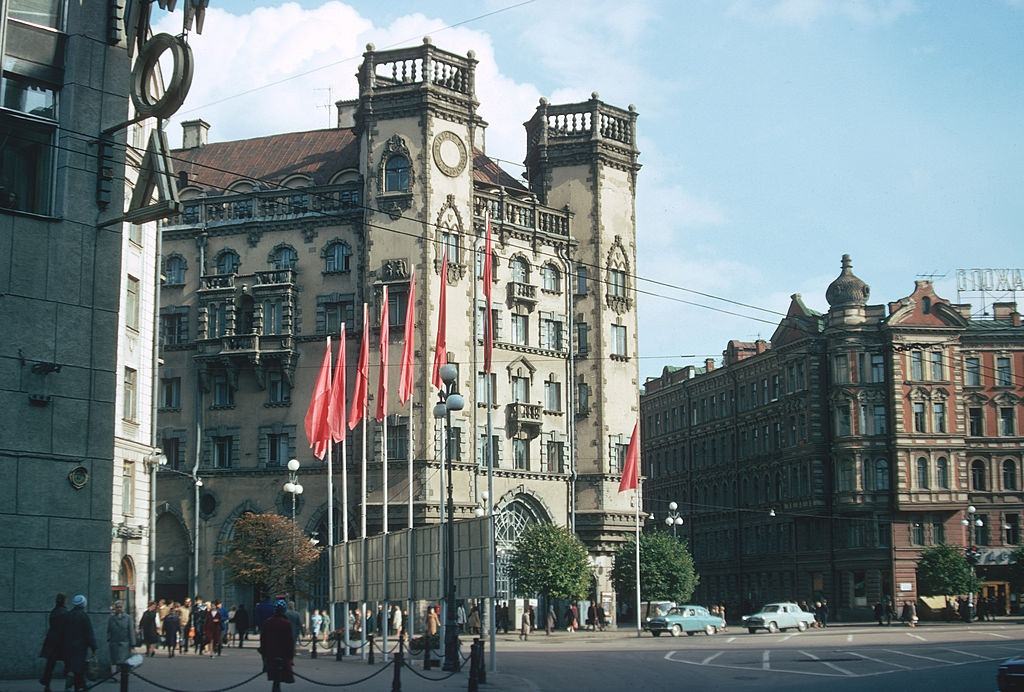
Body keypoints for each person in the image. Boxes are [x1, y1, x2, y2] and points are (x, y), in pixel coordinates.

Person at [259, 600, 295, 692]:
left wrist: (263, 653)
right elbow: (290, 641)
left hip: (271, 652)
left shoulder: (268, 622)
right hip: (283, 653)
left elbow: (263, 639)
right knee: (281, 674)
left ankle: (276, 686)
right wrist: (291, 656)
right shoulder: (286, 623)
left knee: (274, 675)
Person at [63, 594, 97, 692]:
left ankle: (78, 685)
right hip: (80, 647)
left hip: (69, 646)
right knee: (79, 668)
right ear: (83, 604)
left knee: (73, 667)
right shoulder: (83, 616)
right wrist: (93, 646)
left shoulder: (68, 615)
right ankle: (78, 686)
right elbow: (89, 632)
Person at [39, 592, 68, 692]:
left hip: (52, 641)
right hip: (61, 642)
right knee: (69, 663)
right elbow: (65, 628)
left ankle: (46, 682)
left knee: (50, 664)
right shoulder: (64, 612)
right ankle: (72, 684)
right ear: (64, 601)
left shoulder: (54, 611)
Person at [107, 601, 135, 672]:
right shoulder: (111, 618)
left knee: (123, 661)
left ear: (123, 608)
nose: (119, 609)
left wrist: (133, 643)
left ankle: (122, 676)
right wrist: (108, 640)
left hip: (124, 643)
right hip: (114, 643)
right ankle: (118, 675)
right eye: (117, 607)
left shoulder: (128, 618)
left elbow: (131, 630)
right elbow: (108, 630)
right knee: (116, 661)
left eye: (120, 607)